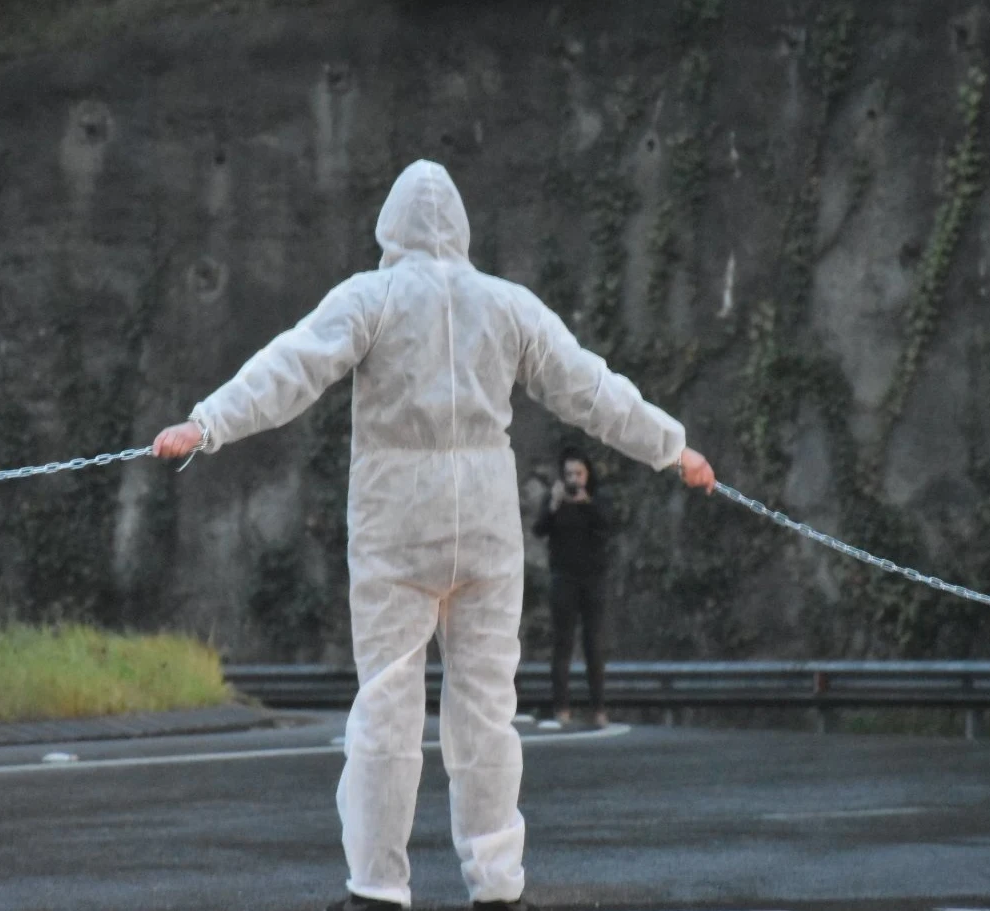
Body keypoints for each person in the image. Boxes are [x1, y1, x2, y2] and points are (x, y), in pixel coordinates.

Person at [151, 160, 716, 911]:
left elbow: (290, 366)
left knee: (386, 702)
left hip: (396, 526)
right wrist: (675, 448)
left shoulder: (373, 296)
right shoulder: (507, 305)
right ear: (462, 228)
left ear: (391, 228)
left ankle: (378, 889)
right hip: (485, 530)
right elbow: (593, 387)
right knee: (487, 710)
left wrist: (206, 423)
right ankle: (499, 886)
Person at [532, 450, 611, 729]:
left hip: (593, 580)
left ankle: (599, 709)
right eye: (569, 475)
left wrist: (586, 503)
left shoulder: (598, 499)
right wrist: (554, 504)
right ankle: (561, 708)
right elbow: (538, 529)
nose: (574, 480)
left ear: (587, 475)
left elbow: (607, 526)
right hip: (563, 578)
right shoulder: (556, 501)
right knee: (562, 643)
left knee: (594, 644)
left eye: (579, 474)